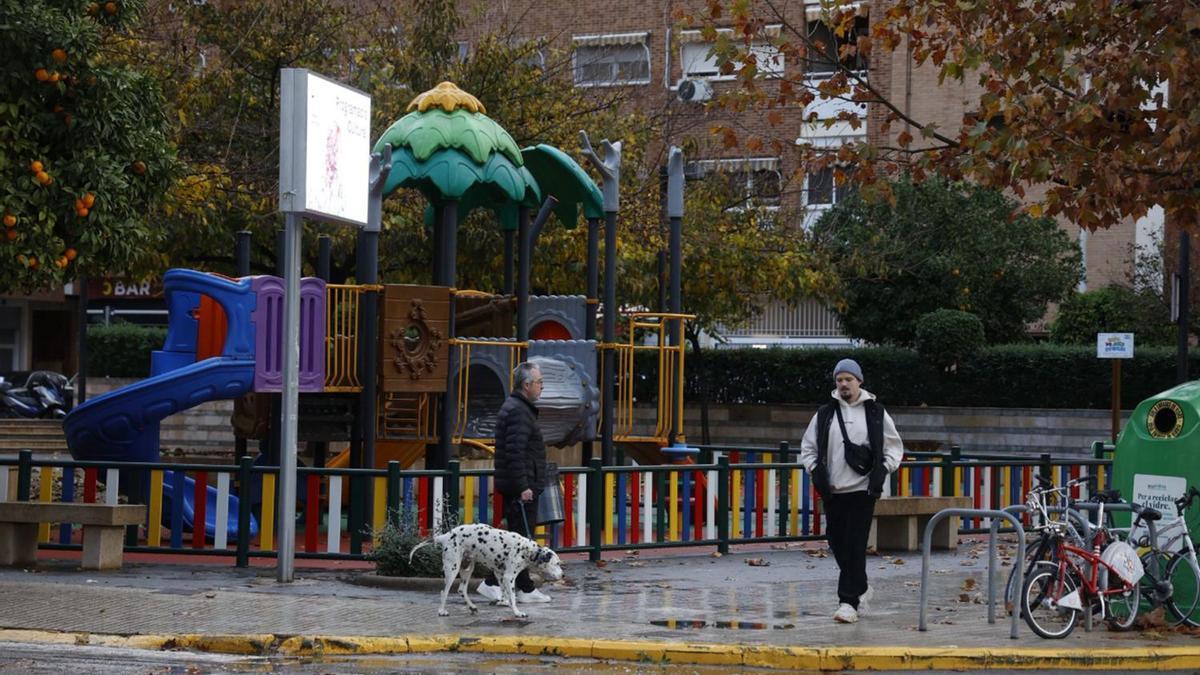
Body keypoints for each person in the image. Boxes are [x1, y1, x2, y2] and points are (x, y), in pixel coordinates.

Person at [799, 358, 903, 624]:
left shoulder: (876, 412)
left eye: (848, 379)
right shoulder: (824, 414)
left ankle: (847, 602)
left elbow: (894, 446)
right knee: (836, 541)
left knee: (855, 544)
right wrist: (815, 470)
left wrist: (884, 468)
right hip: (832, 490)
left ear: (859, 381)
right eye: (839, 380)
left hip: (863, 490)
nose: (843, 384)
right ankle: (862, 586)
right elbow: (808, 448)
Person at [477, 361, 552, 603]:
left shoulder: (519, 408)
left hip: (521, 483)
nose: (542, 386)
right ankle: (496, 584)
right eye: (539, 382)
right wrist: (523, 487)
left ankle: (522, 588)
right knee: (520, 540)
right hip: (522, 486)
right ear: (527, 384)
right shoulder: (519, 411)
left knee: (519, 539)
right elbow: (514, 452)